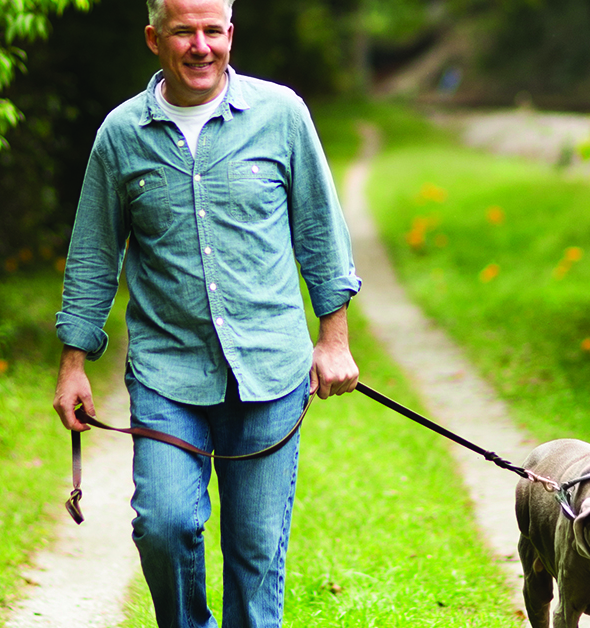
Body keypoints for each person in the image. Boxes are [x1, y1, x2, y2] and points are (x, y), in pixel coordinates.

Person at [50, 0, 361, 625]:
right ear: (153, 38)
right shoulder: (120, 135)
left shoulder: (281, 115)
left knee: (255, 554)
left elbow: (321, 234)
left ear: (230, 34)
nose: (200, 46)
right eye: (183, 32)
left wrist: (334, 341)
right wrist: (73, 364)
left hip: (269, 369)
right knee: (164, 526)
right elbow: (92, 255)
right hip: (169, 374)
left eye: (212, 31)